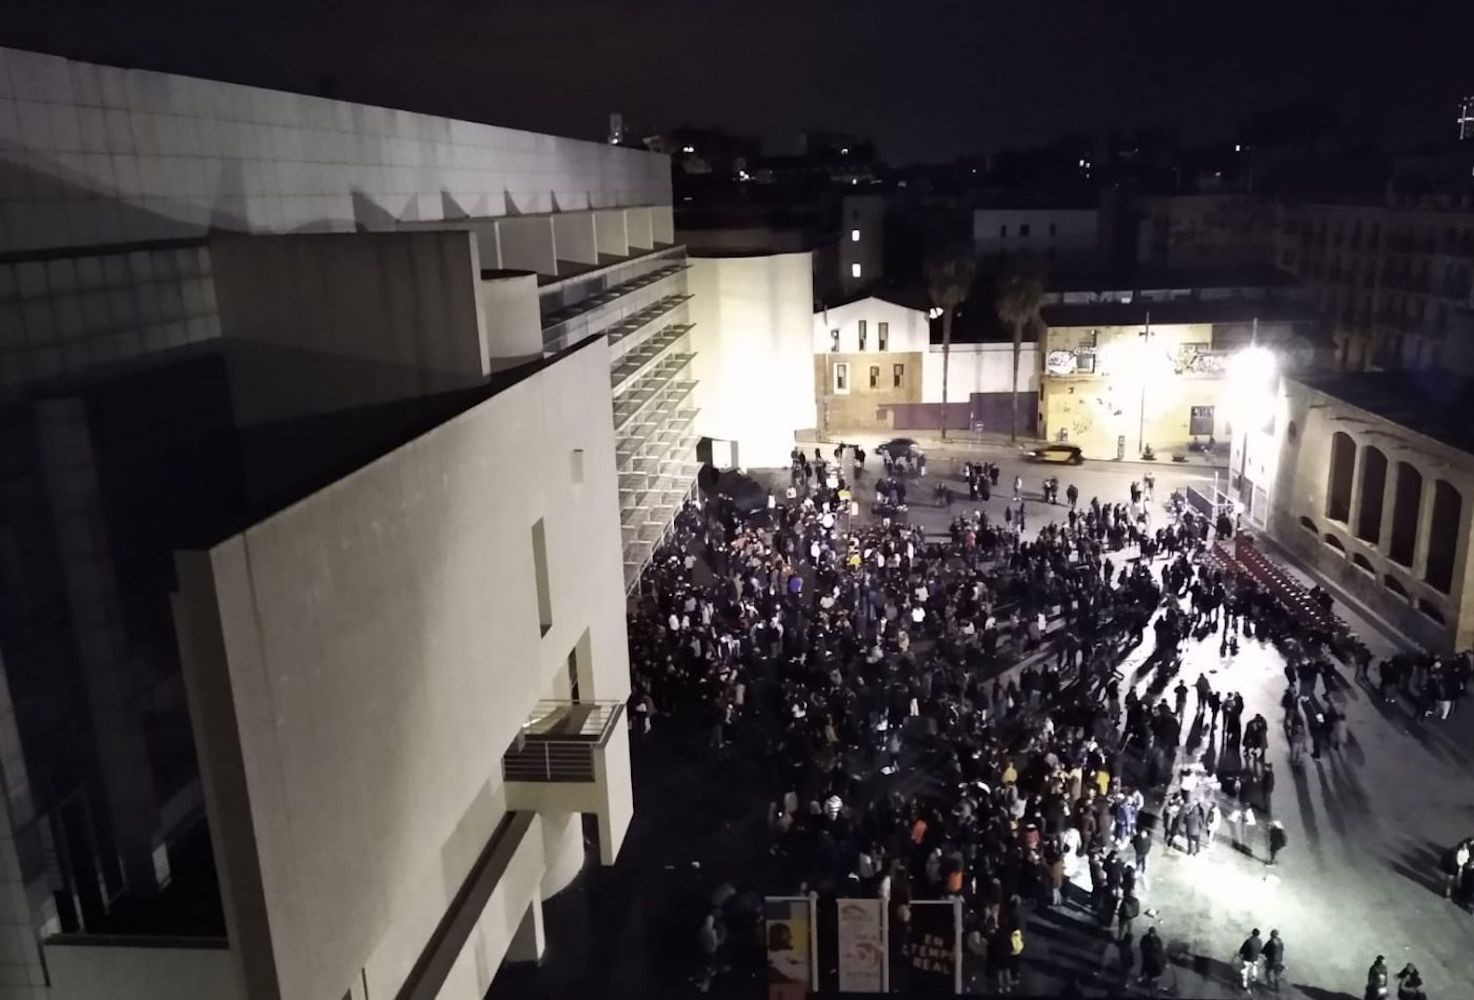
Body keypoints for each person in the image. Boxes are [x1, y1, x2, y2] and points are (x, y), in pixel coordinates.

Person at [1139, 926, 1166, 991]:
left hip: (1153, 958)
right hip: (1146, 956)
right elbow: (1142, 945)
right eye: (1150, 933)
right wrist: (1144, 952)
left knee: (1150, 970)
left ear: (1154, 933)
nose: (1151, 934)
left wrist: (1159, 955)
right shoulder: (1145, 937)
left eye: (1152, 933)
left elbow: (1160, 948)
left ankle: (1148, 981)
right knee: (1144, 966)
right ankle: (1142, 977)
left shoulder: (1157, 939)